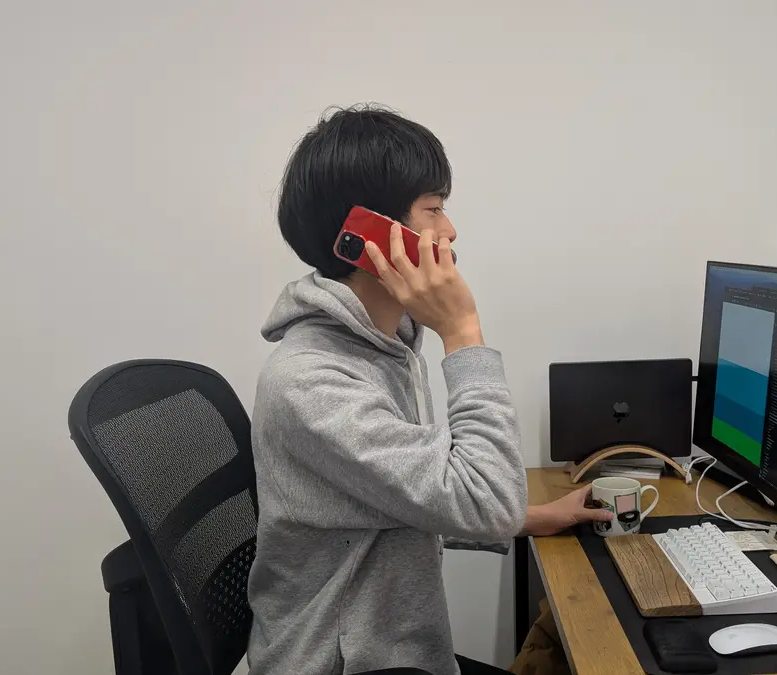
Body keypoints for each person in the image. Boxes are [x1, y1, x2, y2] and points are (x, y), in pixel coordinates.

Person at [248, 105, 612, 675]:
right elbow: (484, 504)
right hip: (351, 664)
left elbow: (412, 493)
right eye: (434, 209)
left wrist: (529, 516)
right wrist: (462, 332)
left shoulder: (384, 347)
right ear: (368, 236)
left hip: (393, 648)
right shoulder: (312, 381)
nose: (451, 230)